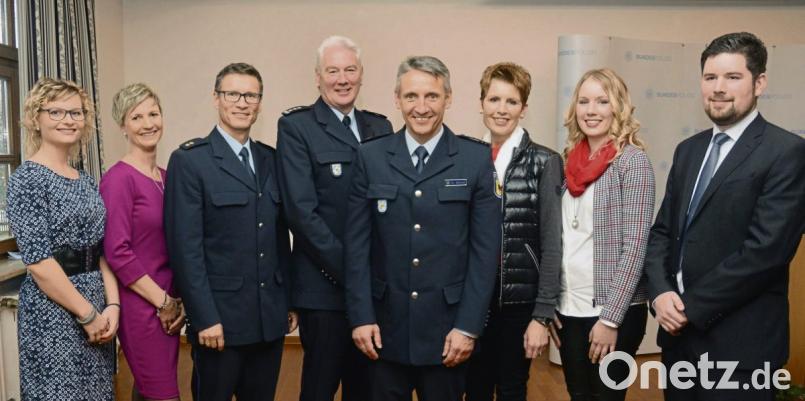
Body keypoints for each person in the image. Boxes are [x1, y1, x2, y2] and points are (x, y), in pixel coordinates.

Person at [645, 32, 805, 401]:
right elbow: (662, 233)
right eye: (710, 77)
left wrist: (689, 308)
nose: (719, 88)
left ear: (759, 82)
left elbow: (766, 253)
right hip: (678, 345)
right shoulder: (688, 151)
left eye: (733, 77)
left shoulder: (787, 152)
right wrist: (661, 294)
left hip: (741, 350)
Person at [344, 55, 502, 401]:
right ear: (397, 99)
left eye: (432, 96)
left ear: (448, 98)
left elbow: (485, 253)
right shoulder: (370, 157)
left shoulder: (474, 159)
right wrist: (360, 317)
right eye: (411, 96)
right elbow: (357, 248)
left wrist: (468, 326)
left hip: (448, 332)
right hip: (383, 330)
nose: (421, 107)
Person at [164, 62, 295, 401]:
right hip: (219, 322)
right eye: (233, 93)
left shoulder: (271, 159)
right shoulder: (191, 161)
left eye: (251, 95)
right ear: (216, 98)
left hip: (268, 319)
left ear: (260, 103)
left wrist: (288, 302)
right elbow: (185, 249)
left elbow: (280, 238)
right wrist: (204, 317)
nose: (242, 102)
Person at [276, 35, 393, 401]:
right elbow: (301, 214)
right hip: (324, 290)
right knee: (319, 388)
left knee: (368, 388)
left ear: (361, 75)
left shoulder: (381, 127)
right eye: (332, 71)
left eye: (350, 70)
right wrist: (354, 272)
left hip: (374, 293)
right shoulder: (297, 128)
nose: (342, 79)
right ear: (317, 77)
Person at [7, 77, 119, 400]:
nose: (68, 120)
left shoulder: (85, 179)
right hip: (53, 312)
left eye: (76, 112)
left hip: (97, 306)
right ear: (35, 119)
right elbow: (40, 263)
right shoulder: (27, 179)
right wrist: (87, 314)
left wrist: (112, 305)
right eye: (56, 112)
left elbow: (100, 251)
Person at [548, 68, 655, 401]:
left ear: (617, 107)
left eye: (601, 101)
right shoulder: (568, 161)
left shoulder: (632, 162)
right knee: (579, 395)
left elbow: (635, 247)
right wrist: (549, 300)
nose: (591, 110)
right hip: (569, 306)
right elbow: (560, 238)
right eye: (583, 101)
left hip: (613, 310)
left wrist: (610, 319)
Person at [464, 62, 562, 401]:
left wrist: (542, 315)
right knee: (473, 387)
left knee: (511, 387)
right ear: (481, 103)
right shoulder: (466, 157)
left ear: (523, 108)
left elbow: (552, 243)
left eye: (511, 101)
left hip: (519, 302)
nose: (501, 110)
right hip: (473, 299)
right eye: (493, 100)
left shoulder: (545, 162)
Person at [100, 83, 183, 401]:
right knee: (162, 394)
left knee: (149, 389)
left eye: (154, 113)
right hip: (143, 306)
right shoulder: (119, 179)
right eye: (137, 117)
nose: (148, 123)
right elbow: (116, 251)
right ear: (123, 125)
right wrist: (163, 302)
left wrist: (176, 301)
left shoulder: (165, 175)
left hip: (169, 301)